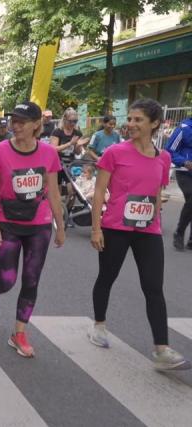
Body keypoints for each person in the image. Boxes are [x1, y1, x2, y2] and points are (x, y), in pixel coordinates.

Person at [88, 98, 190, 371]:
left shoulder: (164, 157)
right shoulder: (115, 153)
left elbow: (157, 189)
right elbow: (99, 191)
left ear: (154, 124)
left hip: (148, 230)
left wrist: (156, 207)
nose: (130, 124)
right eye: (130, 119)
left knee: (154, 287)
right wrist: (96, 228)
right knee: (107, 277)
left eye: (138, 120)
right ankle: (99, 325)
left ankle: (161, 348)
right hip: (115, 228)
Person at [0, 101, 66, 358]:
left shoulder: (49, 153)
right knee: (7, 279)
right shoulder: (0, 151)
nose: (15, 126)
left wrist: (60, 226)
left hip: (39, 225)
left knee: (31, 279)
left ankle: (18, 333)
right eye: (13, 121)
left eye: (21, 122)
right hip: (7, 224)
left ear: (37, 124)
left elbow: (54, 192)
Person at [50, 108, 87, 219]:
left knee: (73, 191)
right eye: (70, 121)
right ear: (64, 119)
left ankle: (66, 214)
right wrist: (70, 143)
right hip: (56, 163)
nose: (72, 124)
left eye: (75, 121)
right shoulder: (57, 132)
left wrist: (78, 145)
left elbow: (77, 152)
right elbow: (53, 149)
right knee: (57, 192)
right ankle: (56, 214)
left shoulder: (77, 133)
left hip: (70, 164)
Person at [164, 115, 192, 251]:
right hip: (185, 172)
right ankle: (179, 233)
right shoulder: (183, 128)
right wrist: (185, 162)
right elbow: (169, 150)